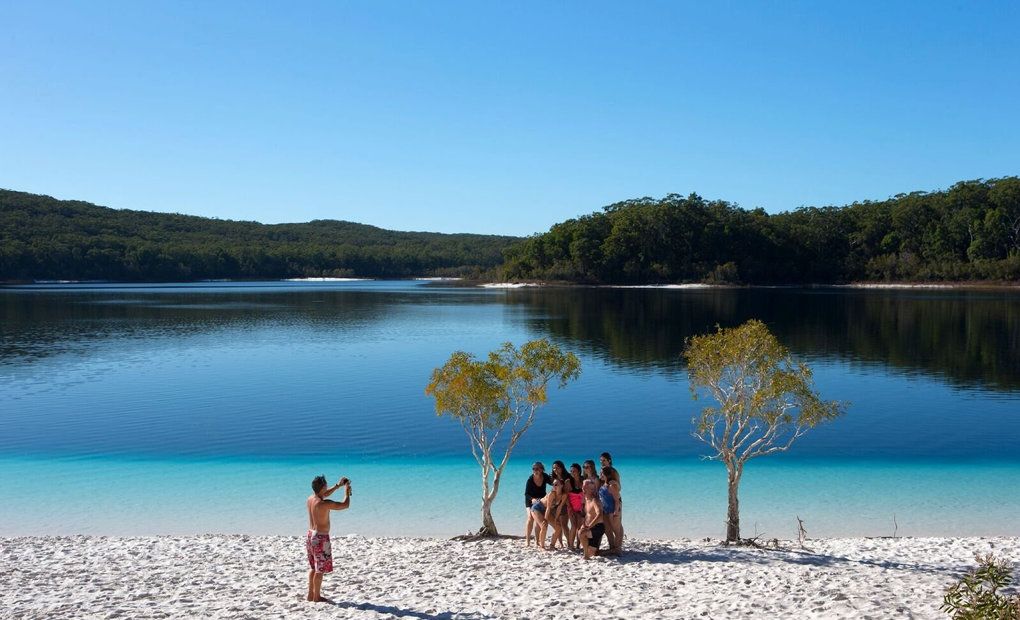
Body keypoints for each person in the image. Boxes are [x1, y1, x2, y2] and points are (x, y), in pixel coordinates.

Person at [306, 474, 351, 603]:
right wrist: (347, 491)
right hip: (320, 538)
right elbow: (345, 505)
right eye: (326, 485)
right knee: (319, 570)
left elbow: (324, 495)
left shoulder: (311, 499)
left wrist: (338, 485)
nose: (327, 487)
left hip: (310, 535)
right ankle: (317, 597)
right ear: (322, 488)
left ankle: (310, 595)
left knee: (314, 568)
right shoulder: (324, 504)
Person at [524, 462, 553, 546]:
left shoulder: (545, 477)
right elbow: (526, 494)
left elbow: (553, 483)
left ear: (541, 469)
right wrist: (532, 499)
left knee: (538, 520)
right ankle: (528, 540)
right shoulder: (530, 479)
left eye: (537, 469)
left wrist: (554, 477)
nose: (535, 470)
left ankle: (537, 541)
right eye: (533, 469)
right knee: (530, 518)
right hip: (530, 500)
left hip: (541, 500)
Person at [538, 478, 569, 550]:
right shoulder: (552, 494)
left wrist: (556, 518)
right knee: (544, 526)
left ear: (561, 485)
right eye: (553, 484)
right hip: (538, 508)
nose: (554, 486)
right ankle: (542, 546)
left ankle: (552, 545)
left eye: (556, 484)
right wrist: (545, 520)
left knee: (558, 527)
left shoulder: (564, 495)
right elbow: (548, 507)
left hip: (546, 511)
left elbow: (559, 508)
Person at [577, 478, 604, 559]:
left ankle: (586, 556)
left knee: (581, 533)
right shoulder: (586, 499)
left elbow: (599, 514)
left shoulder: (595, 500)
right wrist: (584, 524)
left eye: (585, 487)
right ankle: (611, 551)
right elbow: (587, 515)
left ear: (591, 489)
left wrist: (589, 526)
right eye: (583, 487)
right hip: (589, 527)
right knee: (594, 553)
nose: (583, 489)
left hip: (597, 527)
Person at [600, 467, 622, 555]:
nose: (600, 475)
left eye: (602, 473)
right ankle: (612, 548)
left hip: (612, 511)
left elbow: (617, 500)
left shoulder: (612, 485)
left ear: (606, 475)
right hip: (605, 511)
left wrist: (616, 512)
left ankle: (617, 549)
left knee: (617, 531)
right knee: (607, 530)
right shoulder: (603, 484)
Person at [567, 463, 585, 550]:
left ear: (579, 471)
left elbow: (587, 495)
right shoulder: (568, 482)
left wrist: (583, 507)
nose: (572, 473)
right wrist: (570, 508)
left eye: (574, 471)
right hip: (571, 508)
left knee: (580, 527)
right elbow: (566, 497)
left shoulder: (583, 481)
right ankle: (571, 545)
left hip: (582, 507)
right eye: (571, 471)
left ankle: (578, 545)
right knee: (573, 526)